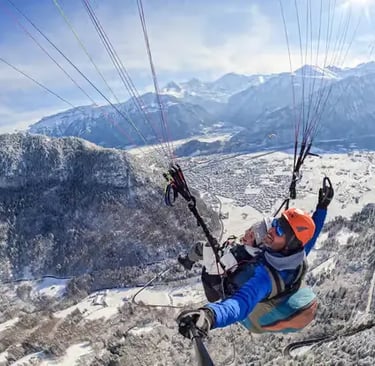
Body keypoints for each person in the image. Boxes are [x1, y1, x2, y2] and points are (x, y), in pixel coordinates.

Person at [176, 180, 334, 339]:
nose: (271, 230)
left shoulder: (266, 277)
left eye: (279, 230)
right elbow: (311, 238)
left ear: (290, 244)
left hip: (252, 317)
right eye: (276, 223)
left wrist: (210, 316)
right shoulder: (296, 254)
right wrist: (322, 207)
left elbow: (240, 304)